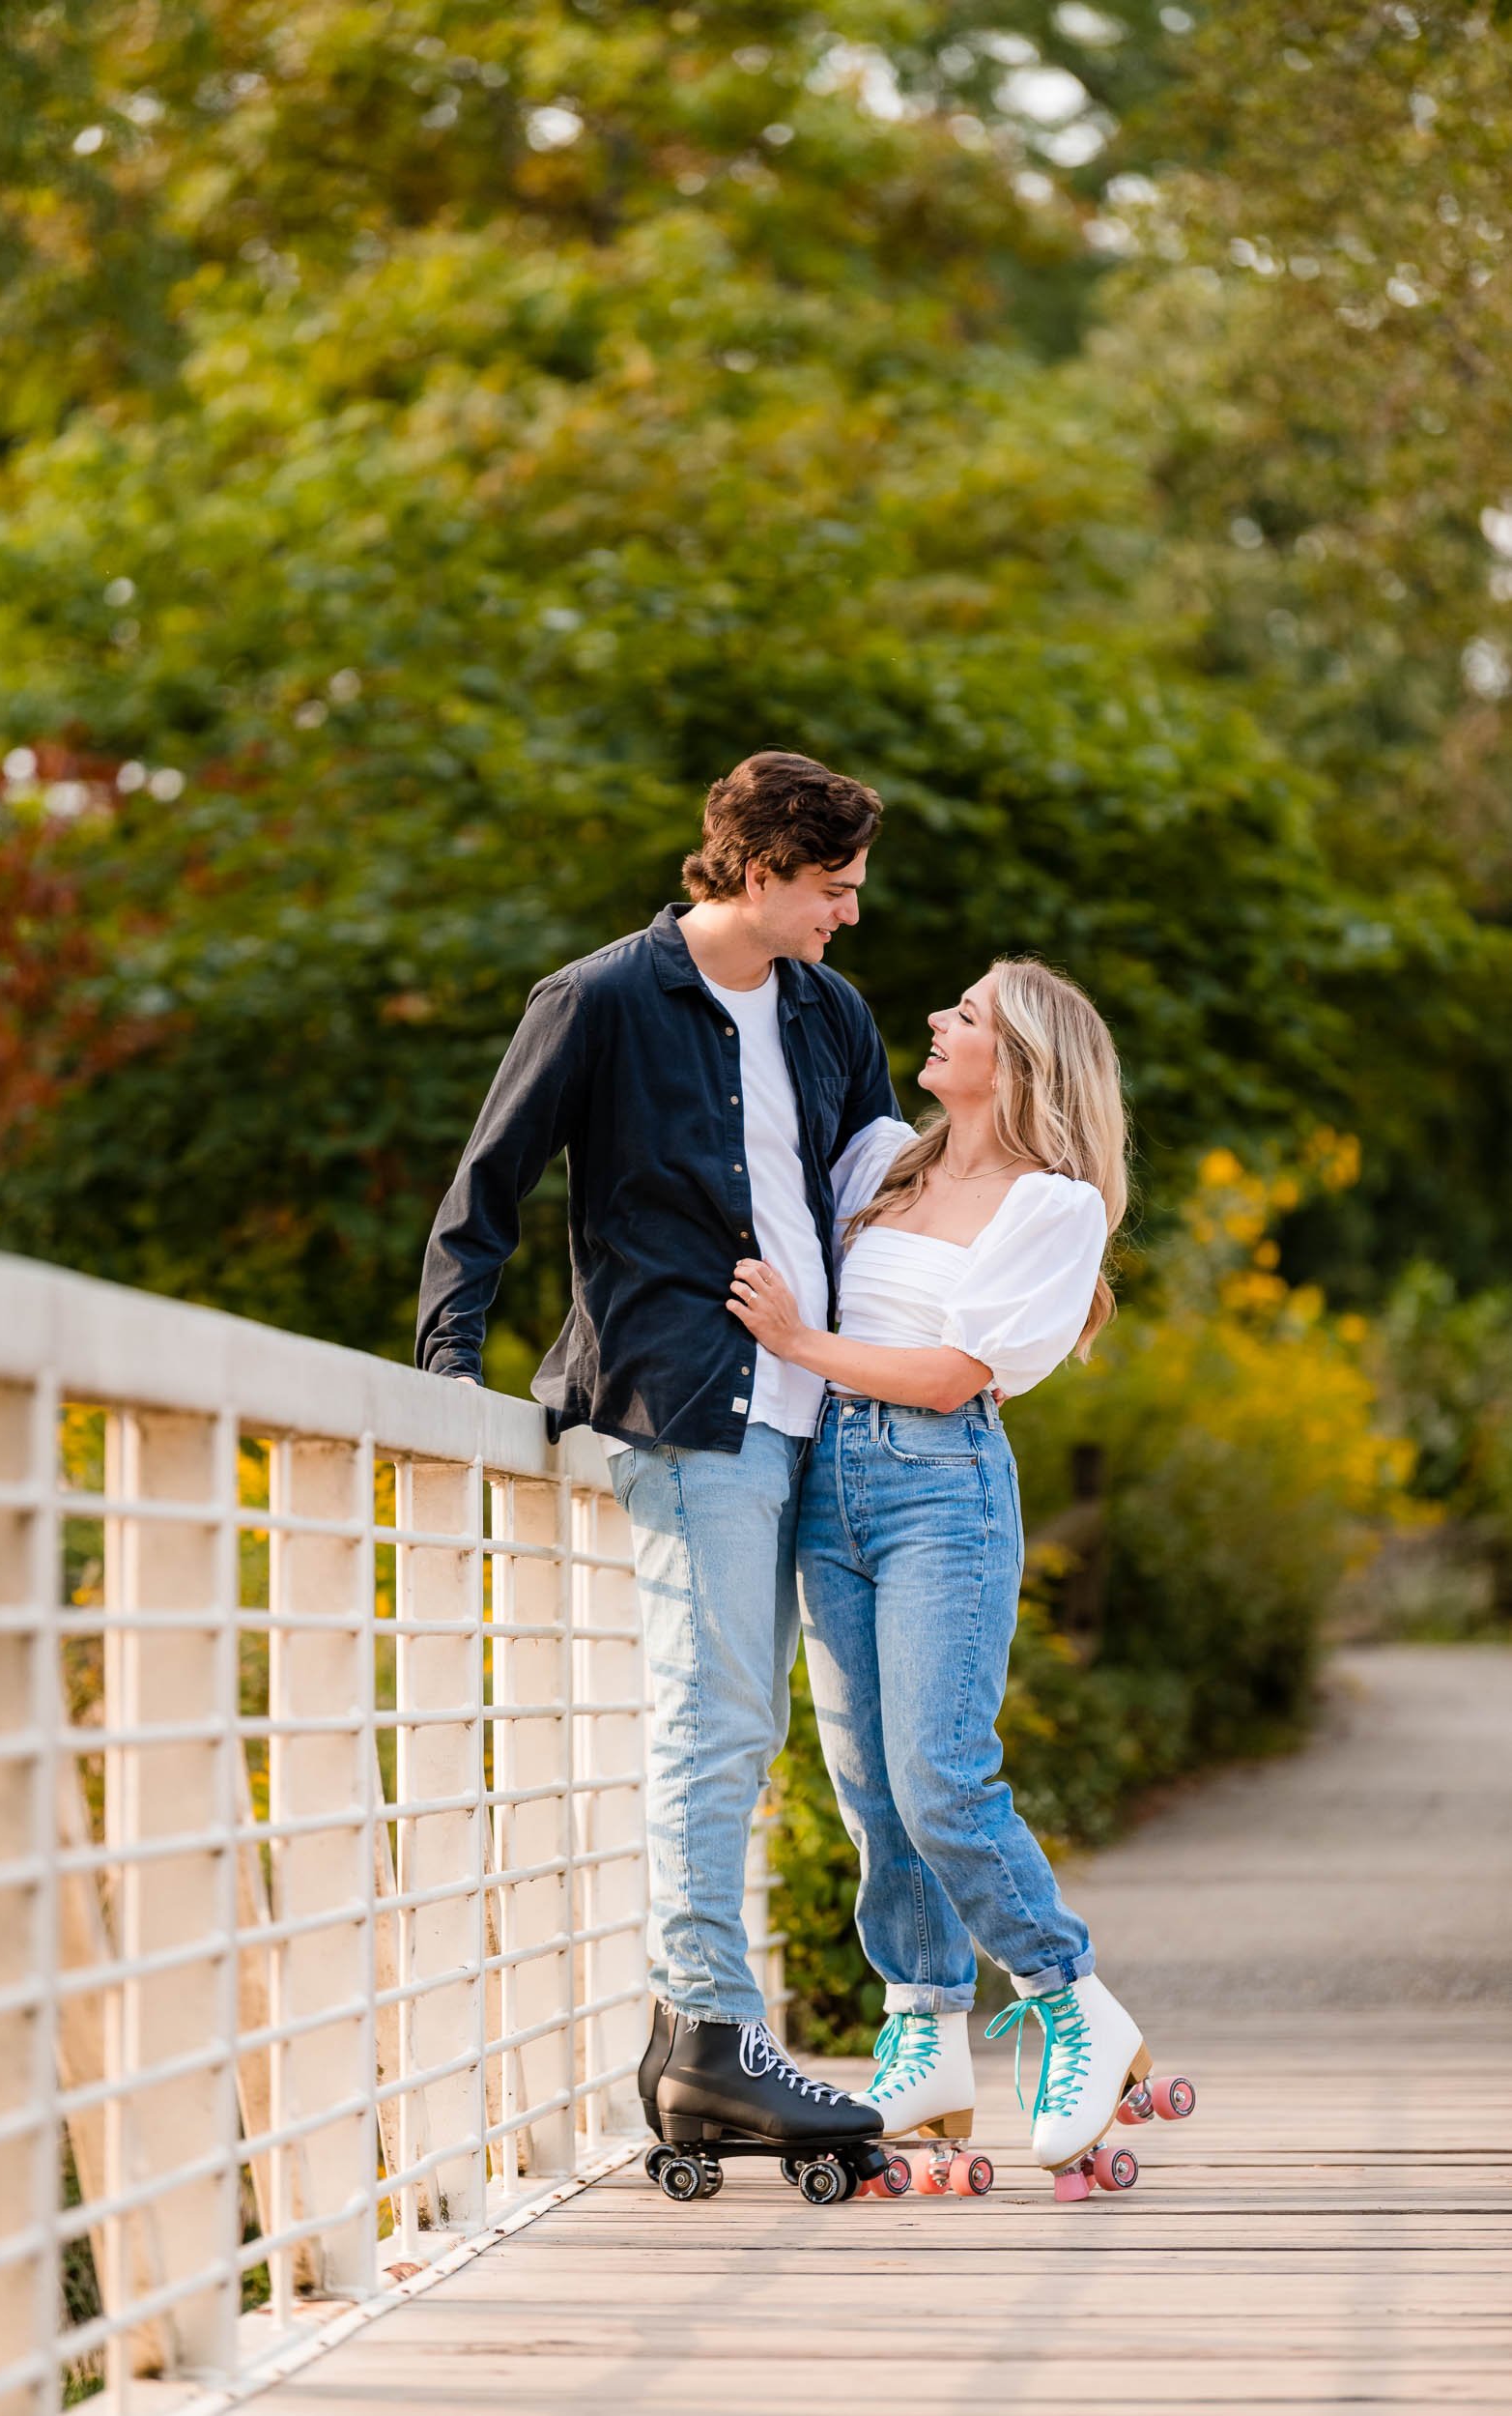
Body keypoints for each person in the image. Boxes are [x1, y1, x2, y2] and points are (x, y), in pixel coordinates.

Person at [415, 750, 887, 2158]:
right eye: (832, 888)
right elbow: (481, 1194)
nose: (847, 915)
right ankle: (705, 2037)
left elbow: (873, 1193)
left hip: (828, 1403)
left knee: (784, 1726)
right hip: (687, 1405)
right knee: (716, 1710)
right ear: (759, 872)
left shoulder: (827, 1009)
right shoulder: (601, 998)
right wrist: (449, 1373)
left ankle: (703, 2042)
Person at [726, 957, 1176, 2198]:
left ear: (1019, 1060)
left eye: (965, 1013)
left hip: (940, 1487)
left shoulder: (1054, 1206)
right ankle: (921, 2031)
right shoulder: (883, 1164)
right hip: (830, 1488)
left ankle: (1070, 2000)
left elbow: (946, 1373)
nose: (934, 1018)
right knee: (869, 1788)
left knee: (940, 1775)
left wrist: (796, 1344)